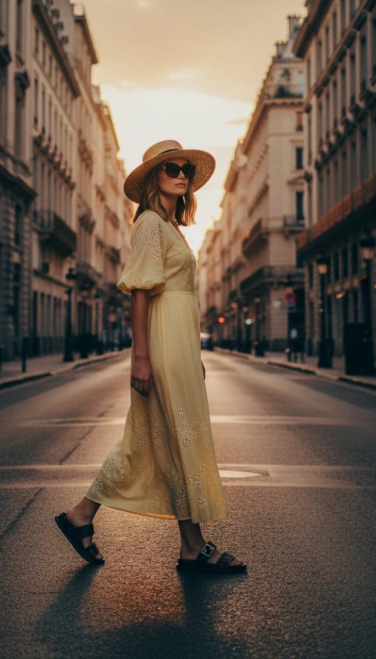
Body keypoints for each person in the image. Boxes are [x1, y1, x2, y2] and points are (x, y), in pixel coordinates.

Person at [55, 140, 246, 575]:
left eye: (186, 170)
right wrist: (141, 357)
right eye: (172, 168)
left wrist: (192, 353)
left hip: (177, 340)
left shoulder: (169, 226)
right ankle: (188, 547)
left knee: (159, 439)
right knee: (166, 438)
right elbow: (141, 295)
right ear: (152, 179)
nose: (182, 174)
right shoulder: (148, 225)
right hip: (161, 340)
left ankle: (88, 518)